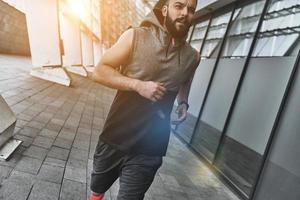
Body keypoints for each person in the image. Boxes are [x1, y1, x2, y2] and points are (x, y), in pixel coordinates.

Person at [90, 0, 199, 199]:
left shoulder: (193, 56)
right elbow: (99, 71)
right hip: (115, 136)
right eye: (179, 6)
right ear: (165, 9)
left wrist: (183, 101)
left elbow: (187, 76)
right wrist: (138, 85)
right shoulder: (135, 37)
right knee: (97, 190)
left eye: (191, 9)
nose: (185, 13)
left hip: (151, 147)